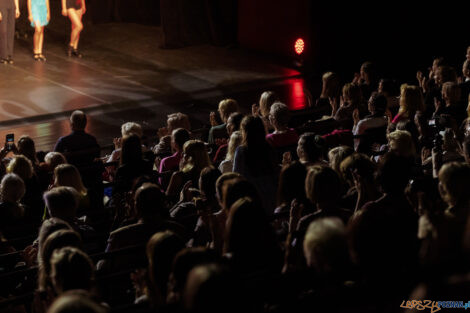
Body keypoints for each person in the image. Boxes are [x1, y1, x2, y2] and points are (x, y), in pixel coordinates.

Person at [0, 0, 20, 64]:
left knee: (10, 30)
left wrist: (17, 8)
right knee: (3, 31)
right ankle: (3, 56)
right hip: (2, 4)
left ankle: (9, 54)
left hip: (11, 4)